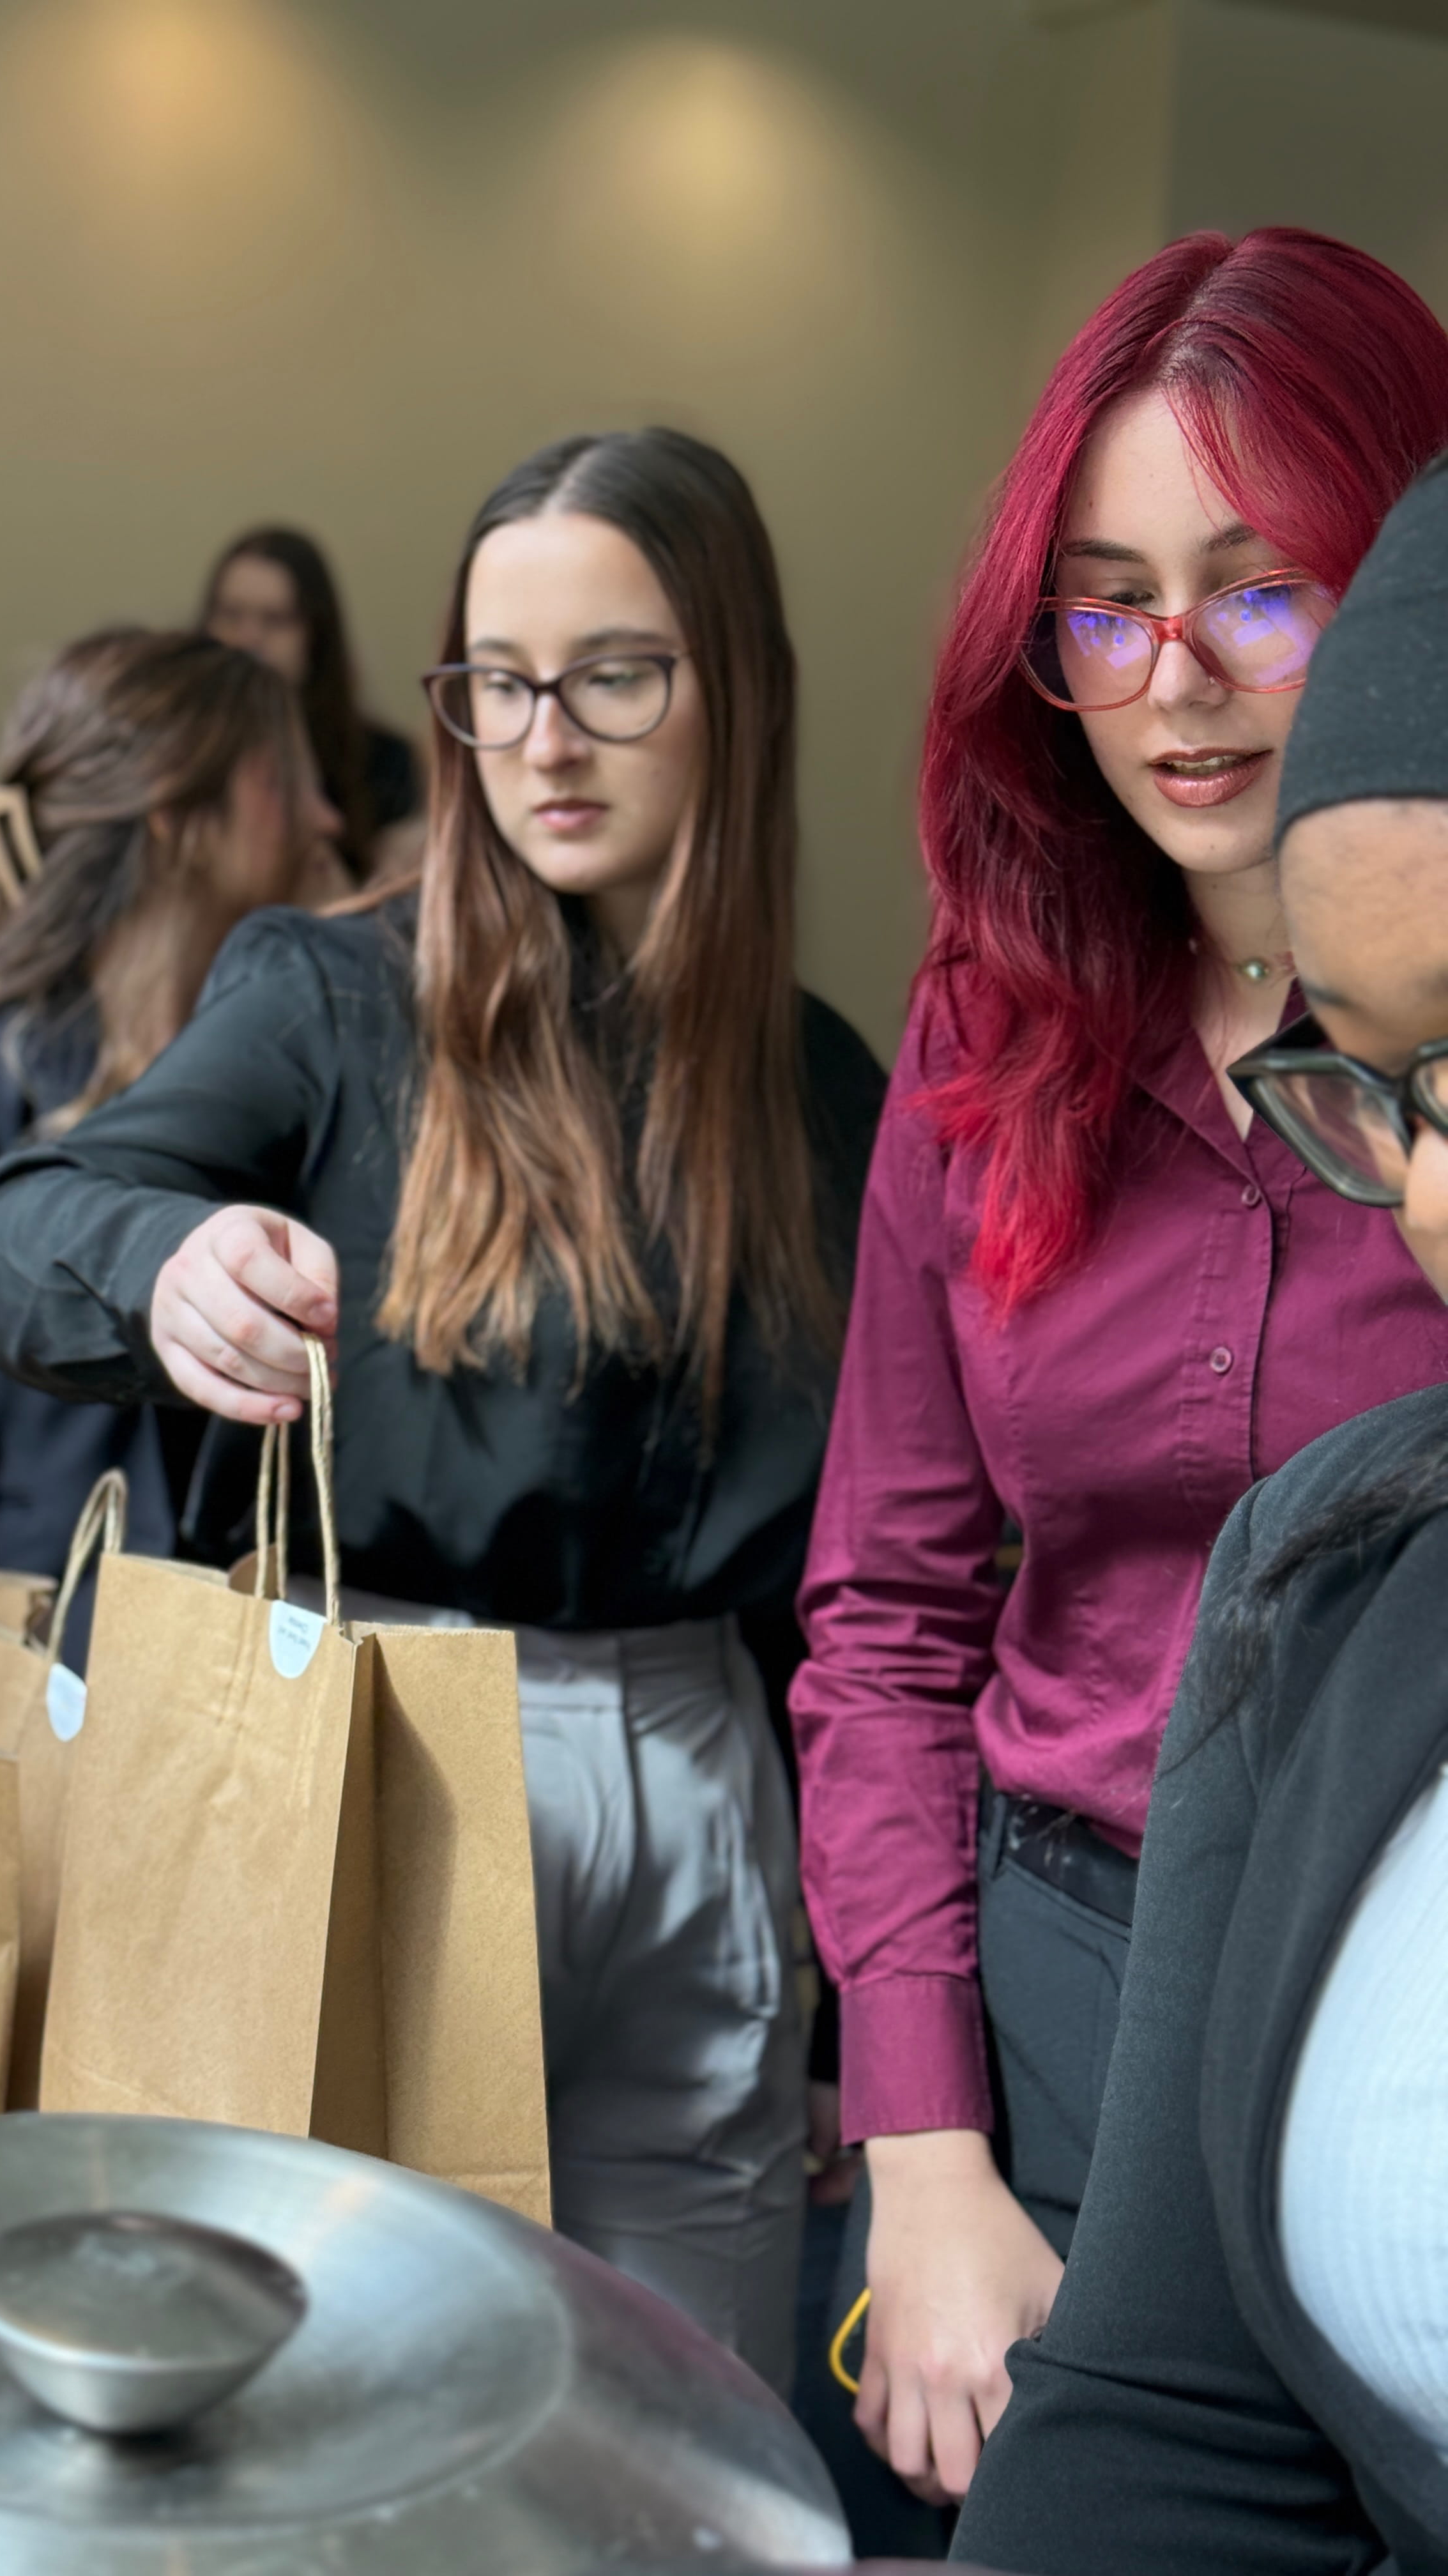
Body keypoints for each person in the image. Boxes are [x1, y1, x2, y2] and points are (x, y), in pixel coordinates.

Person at [0, 426, 888, 2391]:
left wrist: (846, 1988)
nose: (545, 738)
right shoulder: (328, 994)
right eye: (496, 683)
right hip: (380, 1731)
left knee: (686, 2419)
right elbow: (18, 1231)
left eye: (615, 672)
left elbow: (865, 1565)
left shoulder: (818, 1084)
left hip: (707, 1753)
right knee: (343, 2396)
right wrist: (164, 1266)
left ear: (741, 688)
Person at [789, 227, 1448, 2510]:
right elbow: (882, 1616)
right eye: (1100, 602)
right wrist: (916, 2147)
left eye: (1260, 589)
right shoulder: (988, 1029)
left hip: (1391, 1989)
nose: (1173, 677)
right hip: (1048, 1988)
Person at [956, 451, 1448, 2576]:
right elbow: (1164, 2418)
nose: (1428, 1199)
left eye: (1254, 596)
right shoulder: (1325, 1583)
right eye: (1386, 1081)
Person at [0, 625, 339, 1605]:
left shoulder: (288, 1079)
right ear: (178, 820)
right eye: (283, 783)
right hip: (33, 1687)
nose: (324, 818)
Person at [201, 525, 422, 880]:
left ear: (315, 637)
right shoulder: (179, 755)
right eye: (231, 615)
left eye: (275, 620)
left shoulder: (384, 762)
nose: (248, 639)